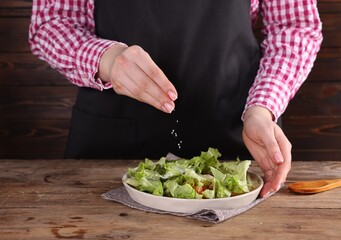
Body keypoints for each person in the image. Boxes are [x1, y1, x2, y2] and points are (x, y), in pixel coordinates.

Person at [29, 0, 323, 197]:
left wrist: (262, 107)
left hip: (237, 143)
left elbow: (295, 26)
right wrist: (106, 59)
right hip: (107, 152)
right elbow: (52, 23)